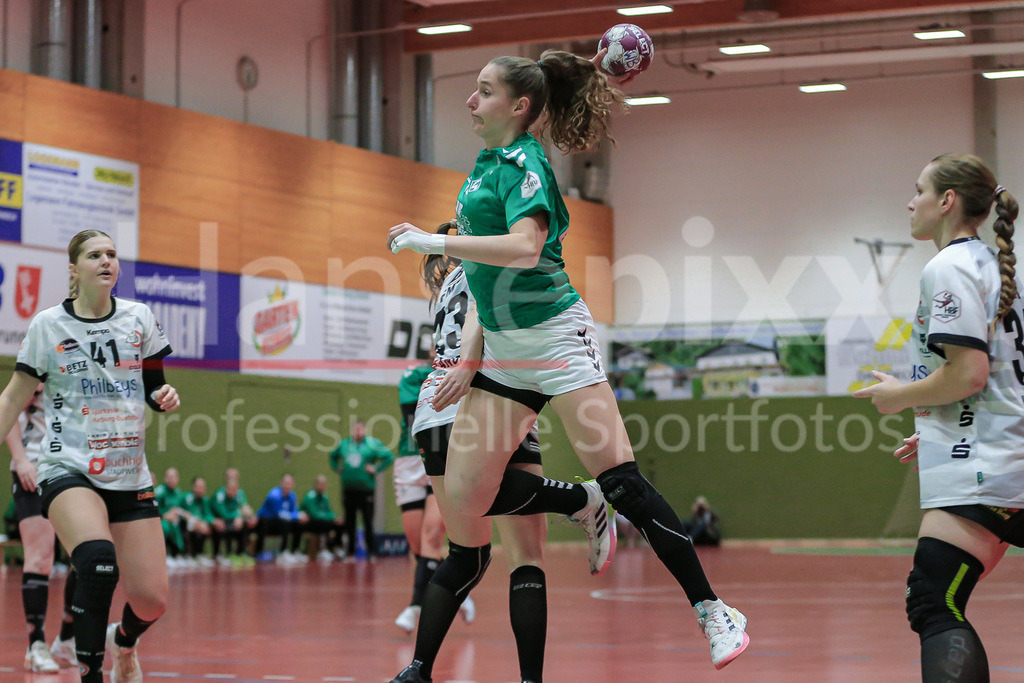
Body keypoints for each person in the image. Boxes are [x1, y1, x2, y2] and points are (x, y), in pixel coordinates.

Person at [387, 49, 749, 672]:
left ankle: (713, 609)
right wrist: (474, 354)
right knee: (469, 501)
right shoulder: (482, 166)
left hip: (555, 340)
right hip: (503, 353)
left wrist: (431, 239)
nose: (470, 101)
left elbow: (526, 249)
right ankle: (580, 502)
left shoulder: (529, 161)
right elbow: (481, 277)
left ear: (519, 105)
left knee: (625, 482)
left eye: (483, 91)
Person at [855, 154, 1021, 682]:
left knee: (934, 602)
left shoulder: (949, 267)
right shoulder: (1002, 267)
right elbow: (995, 379)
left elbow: (969, 373)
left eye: (919, 189)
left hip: (985, 470)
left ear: (947, 202)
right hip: (1001, 456)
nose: (910, 201)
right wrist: (933, 421)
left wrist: (903, 396)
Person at [0, 228, 180, 683]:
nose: (106, 261)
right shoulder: (48, 325)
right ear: (74, 269)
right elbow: (12, 399)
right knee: (98, 561)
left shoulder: (139, 317)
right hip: (67, 467)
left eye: (112, 254)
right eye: (95, 254)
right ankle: (90, 675)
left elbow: (152, 384)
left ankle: (125, 643)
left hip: (128, 473)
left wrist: (162, 396)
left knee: (151, 600)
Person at [391, 233, 561, 683]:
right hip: (485, 392)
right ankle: (581, 498)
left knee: (465, 554)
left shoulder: (447, 286)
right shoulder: (495, 266)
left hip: (433, 404)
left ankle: (418, 670)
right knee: (526, 554)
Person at [393, 358, 474, 634]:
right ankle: (460, 589)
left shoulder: (467, 368)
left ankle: (415, 606)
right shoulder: (415, 372)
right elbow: (410, 413)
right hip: (409, 458)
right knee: (418, 546)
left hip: (443, 453)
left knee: (432, 535)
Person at [5, 384, 77, 672]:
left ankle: (67, 639)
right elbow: (8, 408)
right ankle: (36, 644)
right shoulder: (40, 354)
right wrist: (21, 459)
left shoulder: (87, 361)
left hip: (76, 466)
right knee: (40, 556)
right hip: (35, 464)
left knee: (88, 556)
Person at [329, 420, 394, 561]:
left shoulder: (372, 444)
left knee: (368, 522)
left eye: (360, 429)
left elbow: (389, 456)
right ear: (352, 430)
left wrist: (376, 469)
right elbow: (332, 456)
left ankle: (370, 552)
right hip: (348, 490)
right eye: (355, 429)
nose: (357, 431)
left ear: (364, 430)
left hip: (366, 491)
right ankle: (350, 552)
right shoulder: (344, 444)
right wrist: (337, 467)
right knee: (349, 522)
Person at [255, 473, 308, 564]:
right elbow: (279, 514)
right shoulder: (274, 495)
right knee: (285, 522)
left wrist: (300, 516)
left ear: (293, 485)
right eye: (286, 483)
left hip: (281, 522)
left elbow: (294, 511)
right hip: (268, 522)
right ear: (281, 483)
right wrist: (296, 516)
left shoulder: (292, 496)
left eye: (290, 483)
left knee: (299, 523)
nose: (287, 485)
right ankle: (282, 552)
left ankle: (295, 551)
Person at [211, 468, 258, 565]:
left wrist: (248, 515)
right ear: (225, 479)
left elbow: (246, 508)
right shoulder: (220, 494)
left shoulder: (240, 493)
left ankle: (241, 553)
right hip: (221, 522)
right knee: (225, 524)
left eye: (234, 477)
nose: (232, 479)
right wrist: (239, 514)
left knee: (247, 523)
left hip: (235, 521)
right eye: (230, 477)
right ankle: (227, 554)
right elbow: (223, 514)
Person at [298, 474, 345, 561]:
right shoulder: (310, 496)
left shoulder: (324, 497)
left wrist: (334, 518)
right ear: (315, 484)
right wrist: (329, 517)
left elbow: (330, 512)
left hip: (322, 521)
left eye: (324, 484)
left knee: (340, 524)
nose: (323, 486)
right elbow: (314, 514)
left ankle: (336, 548)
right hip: (309, 523)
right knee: (324, 523)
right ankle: (323, 549)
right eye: (321, 484)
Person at [154, 467, 188, 568]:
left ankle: (179, 555)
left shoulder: (178, 492)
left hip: (175, 520)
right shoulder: (159, 492)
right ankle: (166, 555)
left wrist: (183, 514)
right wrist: (165, 515)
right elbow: (153, 509)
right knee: (166, 527)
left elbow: (180, 508)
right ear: (165, 478)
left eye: (174, 477)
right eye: (169, 477)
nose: (172, 479)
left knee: (184, 523)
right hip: (160, 519)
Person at [181, 476, 216, 567]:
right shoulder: (186, 498)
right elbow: (183, 512)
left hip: (200, 525)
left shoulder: (205, 500)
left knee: (207, 527)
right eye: (198, 487)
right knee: (192, 526)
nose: (200, 489)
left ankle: (200, 554)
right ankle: (188, 555)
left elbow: (208, 515)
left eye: (202, 487)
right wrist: (196, 522)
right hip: (187, 524)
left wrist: (206, 522)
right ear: (193, 487)